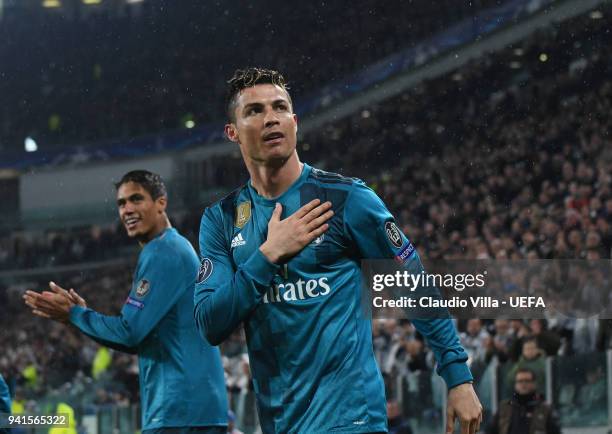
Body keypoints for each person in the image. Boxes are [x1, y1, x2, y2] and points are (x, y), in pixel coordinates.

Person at [193, 67, 482, 434]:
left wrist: (457, 376)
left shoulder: (347, 199)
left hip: (352, 419)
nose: (271, 119)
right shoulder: (221, 220)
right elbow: (209, 323)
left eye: (280, 108)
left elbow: (414, 283)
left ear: (295, 122)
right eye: (255, 111)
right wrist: (267, 256)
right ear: (232, 133)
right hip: (281, 423)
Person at [24, 170, 228, 434]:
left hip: (179, 413)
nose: (127, 209)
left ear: (161, 203)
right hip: (194, 411)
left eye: (136, 199)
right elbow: (141, 337)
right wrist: (80, 315)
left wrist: (74, 314)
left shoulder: (162, 252)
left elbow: (128, 332)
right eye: (121, 203)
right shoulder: (175, 248)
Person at [487, 368, 560, 434]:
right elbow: (490, 431)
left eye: (527, 381)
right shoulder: (504, 407)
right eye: (520, 381)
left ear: (534, 383)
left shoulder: (545, 409)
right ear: (515, 384)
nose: (523, 384)